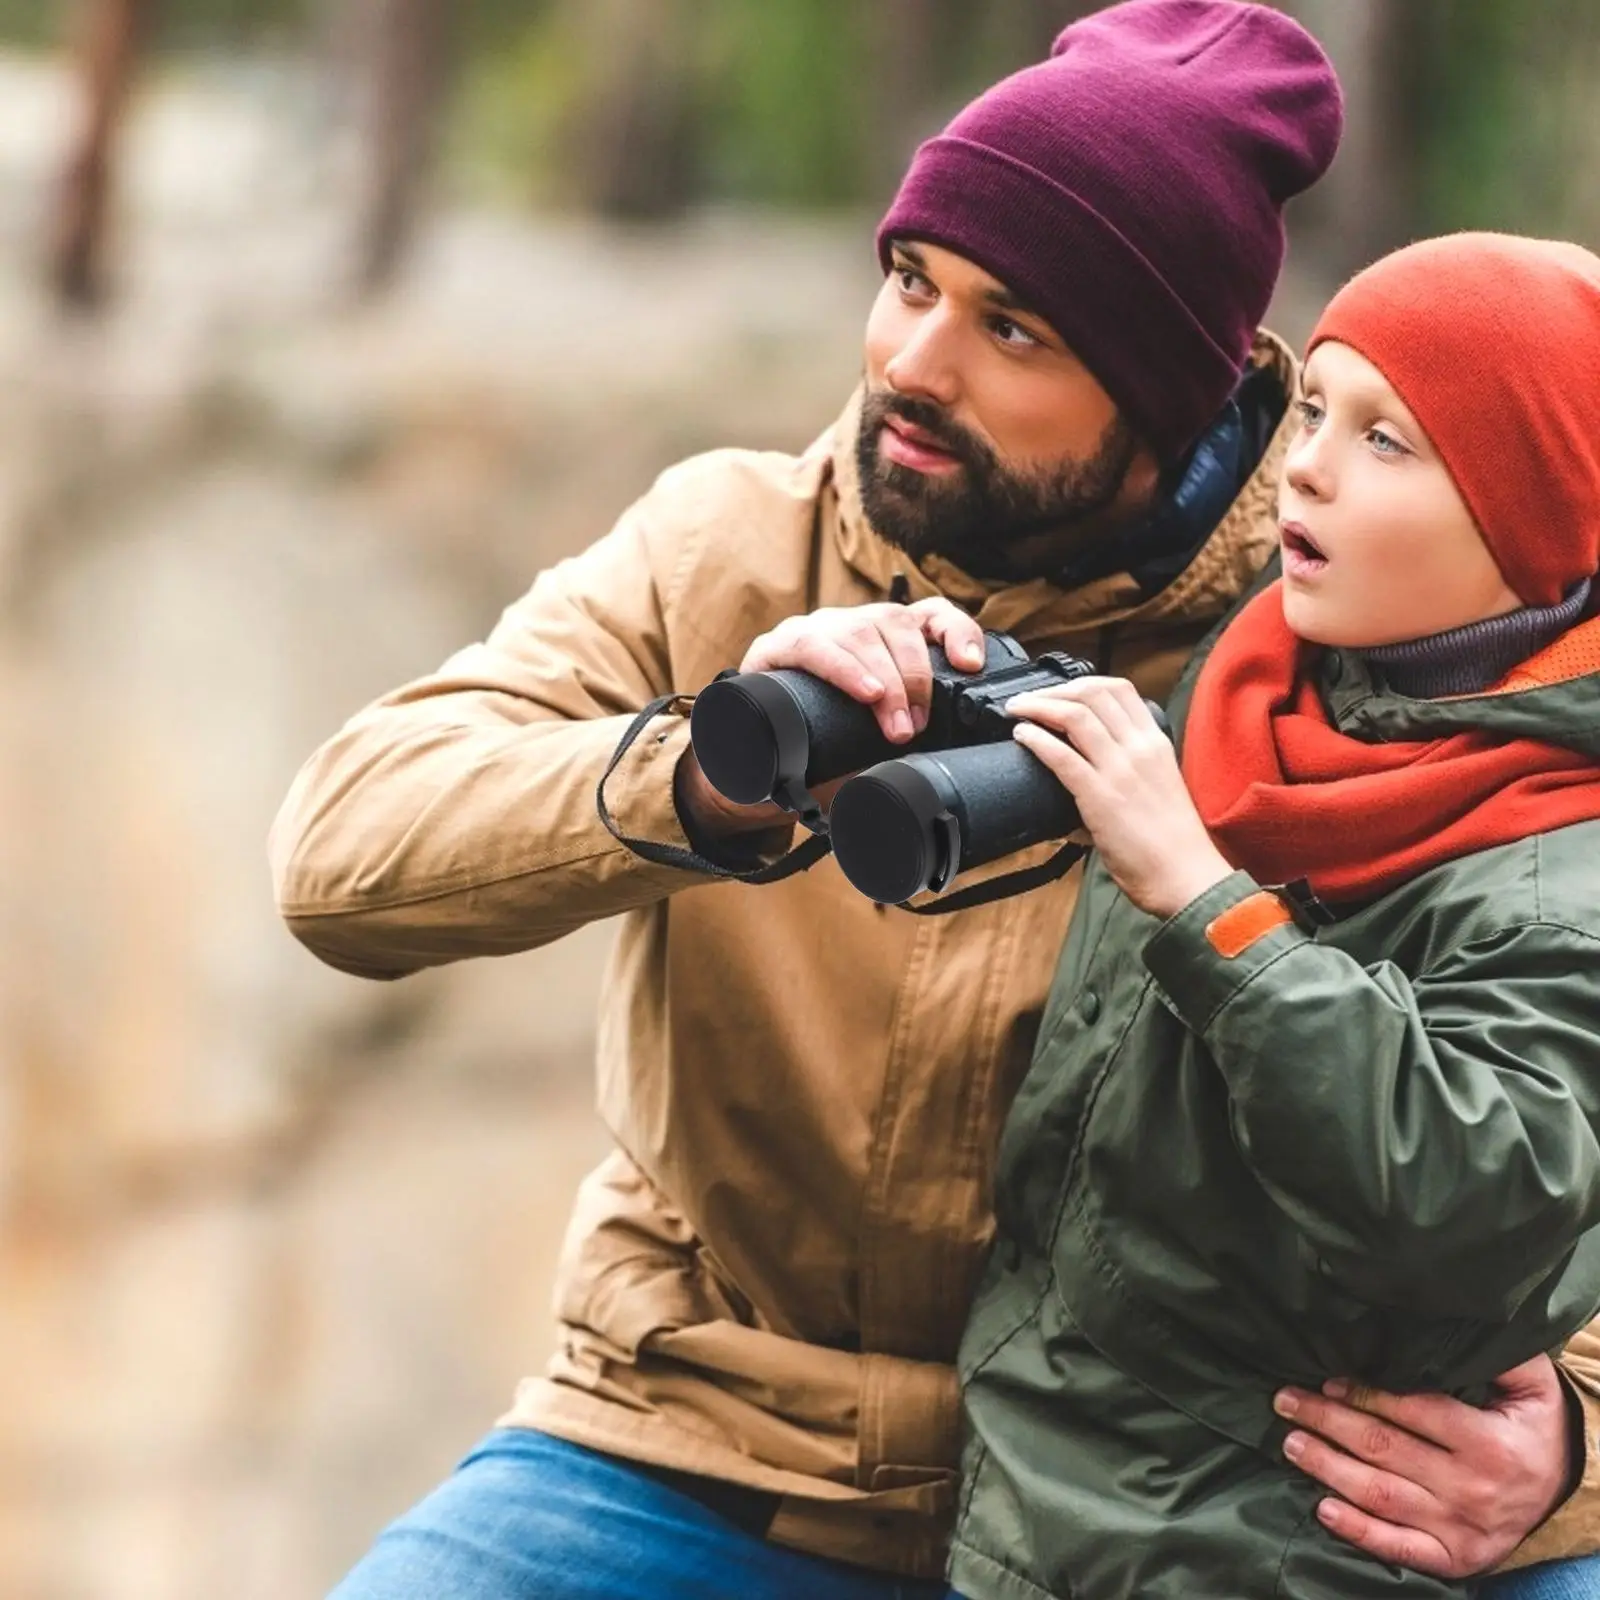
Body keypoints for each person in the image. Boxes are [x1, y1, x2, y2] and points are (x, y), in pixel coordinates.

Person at [268, 5, 1598, 1596]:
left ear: (1168, 399)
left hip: (1211, 1486)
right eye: (910, 281)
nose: (912, 360)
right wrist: (701, 769)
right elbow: (342, 858)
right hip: (712, 1449)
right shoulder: (731, 552)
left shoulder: (1352, 635)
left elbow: (1522, 1080)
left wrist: (1576, 1446)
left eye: (1014, 329)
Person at [953, 233, 1600, 1600]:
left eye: (1390, 442)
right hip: (1031, 1511)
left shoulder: (1564, 865)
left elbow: (1475, 1204)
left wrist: (1209, 908)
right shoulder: (1255, 687)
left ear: (1532, 512)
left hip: (1278, 1550)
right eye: (1315, 411)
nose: (1304, 463)